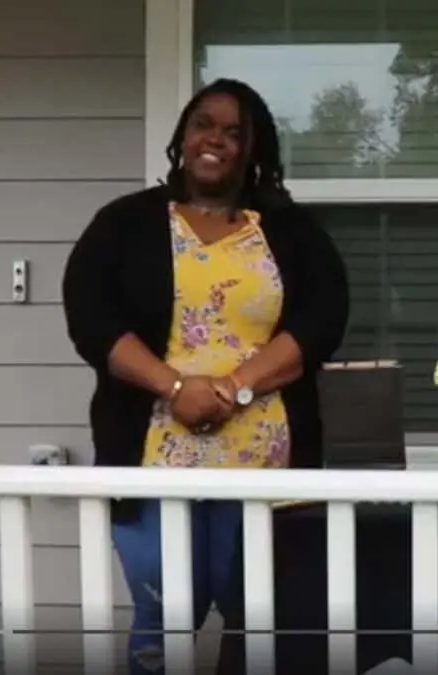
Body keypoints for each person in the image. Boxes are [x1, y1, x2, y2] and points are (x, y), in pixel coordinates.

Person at [62, 78, 350, 675]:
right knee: (160, 627)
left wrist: (231, 386)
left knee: (262, 628)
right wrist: (174, 387)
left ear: (252, 148)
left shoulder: (290, 230)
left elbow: (322, 320)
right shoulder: (125, 223)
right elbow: (92, 318)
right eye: (202, 124)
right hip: (152, 465)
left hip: (266, 470)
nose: (214, 140)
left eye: (233, 131)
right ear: (182, 137)